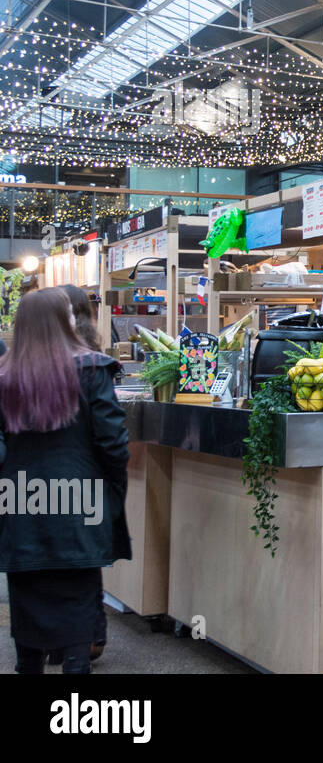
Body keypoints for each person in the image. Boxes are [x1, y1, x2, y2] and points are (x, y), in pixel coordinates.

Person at [0, 288, 130, 674]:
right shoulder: (93, 369)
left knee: (25, 588)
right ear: (64, 321)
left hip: (19, 500)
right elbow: (113, 442)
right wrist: (112, 491)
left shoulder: (4, 376)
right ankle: (75, 675)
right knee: (78, 588)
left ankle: (28, 666)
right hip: (81, 498)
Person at [54, 284, 110, 664]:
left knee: (66, 565)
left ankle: (75, 641)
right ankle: (86, 639)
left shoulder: (64, 359)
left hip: (60, 479)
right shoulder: (91, 358)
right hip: (82, 477)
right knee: (81, 564)